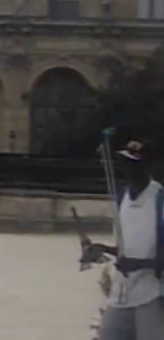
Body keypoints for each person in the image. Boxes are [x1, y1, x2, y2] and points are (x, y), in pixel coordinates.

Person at [86, 140, 164, 340]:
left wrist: (138, 264)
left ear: (149, 166)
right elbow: (125, 248)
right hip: (120, 294)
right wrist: (101, 249)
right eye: (125, 163)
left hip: (151, 295)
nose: (128, 169)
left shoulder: (159, 199)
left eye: (134, 164)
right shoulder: (121, 198)